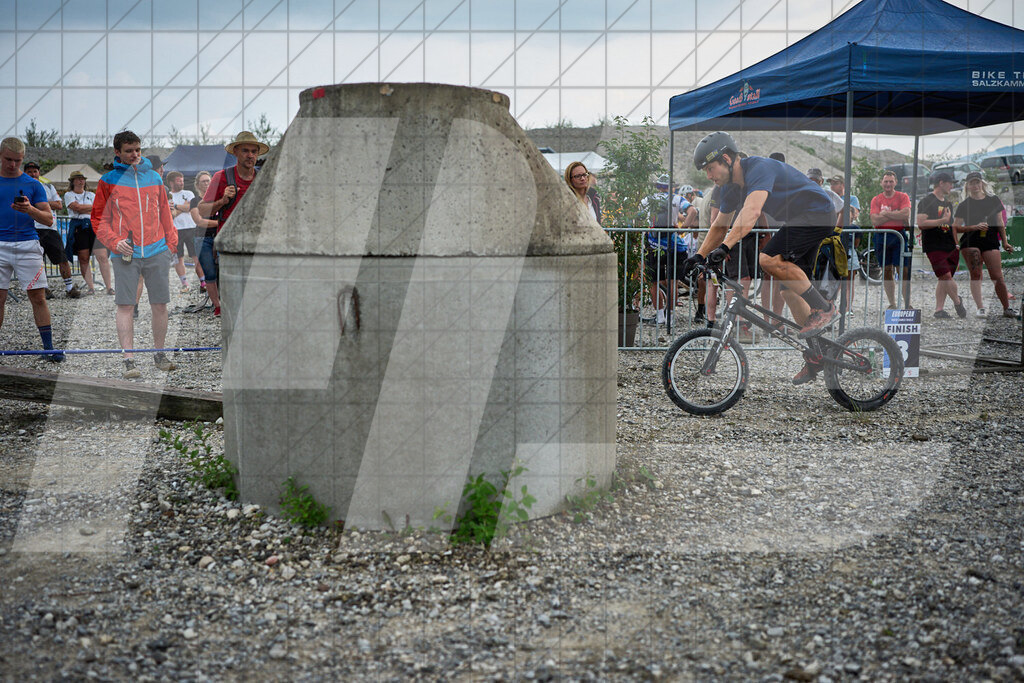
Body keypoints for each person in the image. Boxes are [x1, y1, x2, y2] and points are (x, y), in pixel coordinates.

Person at [684, 132, 838, 385]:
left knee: (767, 259)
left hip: (817, 213)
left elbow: (753, 212)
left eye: (711, 168)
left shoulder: (759, 167)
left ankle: (824, 308)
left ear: (726, 158)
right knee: (789, 292)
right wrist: (699, 255)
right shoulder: (731, 189)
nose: (709, 176)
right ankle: (817, 354)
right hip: (802, 219)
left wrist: (724, 247)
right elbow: (720, 224)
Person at [91, 130, 178, 378]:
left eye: (137, 150)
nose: (134, 155)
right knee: (126, 305)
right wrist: (114, 242)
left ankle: (159, 354)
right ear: (117, 152)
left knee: (160, 304)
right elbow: (99, 218)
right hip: (125, 252)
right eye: (129, 151)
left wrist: (171, 243)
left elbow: (164, 212)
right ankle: (129, 360)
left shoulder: (154, 177)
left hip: (157, 249)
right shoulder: (107, 180)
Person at [0, 138, 63, 362]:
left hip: (27, 244)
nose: (12, 164)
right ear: (0, 155)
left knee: (38, 297)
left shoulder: (34, 184)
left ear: (23, 159)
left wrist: (29, 209)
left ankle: (48, 348)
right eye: (8, 159)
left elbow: (48, 219)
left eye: (17, 161)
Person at [199, 131, 269, 318]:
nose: (250, 155)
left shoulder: (264, 178)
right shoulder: (222, 177)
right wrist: (222, 201)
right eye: (245, 150)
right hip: (230, 246)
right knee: (233, 296)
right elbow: (202, 210)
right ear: (235, 152)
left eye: (254, 151)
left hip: (258, 245)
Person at [953, 171, 1017, 318]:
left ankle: (1007, 308)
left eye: (977, 182)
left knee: (997, 275)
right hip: (970, 241)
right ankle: (980, 307)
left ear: (982, 183)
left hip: (990, 240)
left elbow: (1000, 222)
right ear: (967, 186)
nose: (975, 185)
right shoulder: (964, 205)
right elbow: (956, 227)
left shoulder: (993, 200)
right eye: (971, 183)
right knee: (976, 274)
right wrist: (973, 227)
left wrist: (1005, 242)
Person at [639, 175, 692, 325]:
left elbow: (638, 215)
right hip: (673, 244)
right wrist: (683, 230)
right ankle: (670, 317)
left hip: (653, 244)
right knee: (672, 281)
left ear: (657, 186)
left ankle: (660, 316)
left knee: (654, 282)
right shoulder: (677, 198)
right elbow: (693, 211)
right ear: (671, 187)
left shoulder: (648, 199)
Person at [23, 161, 80, 299]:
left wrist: (38, 203)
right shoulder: (21, 188)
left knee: (62, 258)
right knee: (37, 261)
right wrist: (45, 204)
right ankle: (44, 289)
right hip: (31, 228)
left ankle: (69, 288)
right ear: (25, 173)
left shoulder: (48, 186)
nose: (33, 174)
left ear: (39, 173)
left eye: (35, 171)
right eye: (29, 171)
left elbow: (59, 205)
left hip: (49, 228)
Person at [917, 171, 967, 319]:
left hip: (949, 245)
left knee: (943, 278)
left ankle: (939, 310)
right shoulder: (926, 201)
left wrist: (956, 244)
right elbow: (921, 223)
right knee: (945, 275)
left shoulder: (948, 204)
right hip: (933, 245)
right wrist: (941, 221)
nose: (952, 186)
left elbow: (951, 225)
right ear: (941, 183)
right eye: (950, 183)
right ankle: (958, 302)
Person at [64, 170, 113, 295]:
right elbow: (77, 208)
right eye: (78, 178)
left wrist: (85, 208)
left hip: (94, 225)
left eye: (82, 178)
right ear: (73, 181)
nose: (81, 181)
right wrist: (91, 207)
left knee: (102, 256)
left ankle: (109, 287)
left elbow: (99, 207)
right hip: (79, 227)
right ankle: (91, 287)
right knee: (83, 257)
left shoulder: (91, 194)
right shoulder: (68, 195)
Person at [869, 170, 912, 309]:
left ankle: (907, 304)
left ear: (896, 182)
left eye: (891, 181)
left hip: (898, 235)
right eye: (886, 181)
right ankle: (892, 303)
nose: (888, 184)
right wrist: (895, 214)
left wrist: (886, 214)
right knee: (887, 270)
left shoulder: (902, 196)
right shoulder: (876, 199)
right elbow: (875, 219)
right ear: (882, 183)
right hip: (881, 236)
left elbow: (906, 213)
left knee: (903, 270)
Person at [166, 171, 199, 292]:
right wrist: (183, 206)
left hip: (190, 227)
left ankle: (203, 281)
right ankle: (185, 283)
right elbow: (172, 215)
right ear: (171, 182)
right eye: (179, 181)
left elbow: (191, 207)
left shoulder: (188, 193)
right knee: (178, 257)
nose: (182, 183)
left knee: (195, 255)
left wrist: (176, 206)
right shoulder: (168, 195)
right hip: (176, 230)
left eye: (182, 180)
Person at [188, 171, 214, 292]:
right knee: (206, 268)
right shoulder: (195, 201)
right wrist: (220, 224)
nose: (207, 183)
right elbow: (199, 221)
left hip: (217, 236)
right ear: (197, 185)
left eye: (208, 180)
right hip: (202, 237)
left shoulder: (217, 198)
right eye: (203, 181)